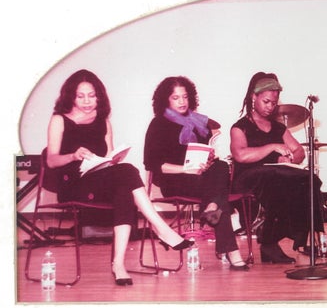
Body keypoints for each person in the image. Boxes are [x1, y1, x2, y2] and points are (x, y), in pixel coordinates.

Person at [45, 69, 193, 286]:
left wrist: (113, 159)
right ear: (71, 97)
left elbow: (108, 160)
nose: (87, 101)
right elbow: (50, 161)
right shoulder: (60, 120)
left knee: (123, 185)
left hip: (97, 181)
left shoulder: (103, 121)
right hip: (73, 184)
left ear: (99, 96)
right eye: (81, 96)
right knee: (127, 172)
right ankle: (161, 229)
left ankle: (119, 264)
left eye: (92, 95)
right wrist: (73, 155)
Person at [143, 76, 249, 271]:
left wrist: (207, 160)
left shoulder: (199, 123)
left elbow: (204, 154)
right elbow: (152, 164)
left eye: (185, 97)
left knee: (221, 166)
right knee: (220, 193)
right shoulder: (158, 124)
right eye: (176, 98)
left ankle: (211, 207)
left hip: (201, 179)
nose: (182, 102)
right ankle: (230, 249)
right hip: (174, 180)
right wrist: (185, 169)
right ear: (166, 100)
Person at [230, 71, 324, 264]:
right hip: (247, 178)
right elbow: (240, 155)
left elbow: (299, 152)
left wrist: (288, 159)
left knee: (309, 178)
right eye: (266, 101)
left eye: (273, 103)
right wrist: (272, 147)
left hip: (274, 175)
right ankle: (269, 243)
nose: (270, 107)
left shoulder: (278, 128)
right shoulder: (240, 127)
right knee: (274, 178)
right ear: (253, 97)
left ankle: (299, 233)